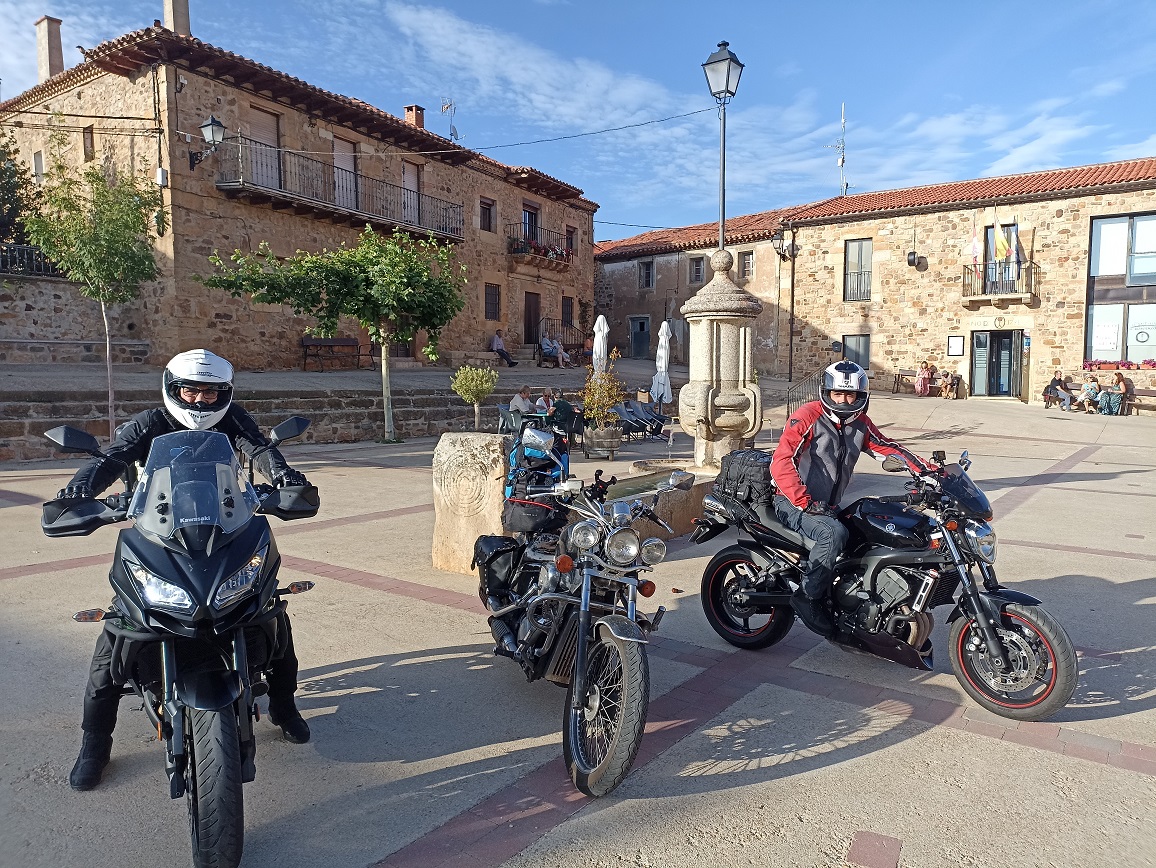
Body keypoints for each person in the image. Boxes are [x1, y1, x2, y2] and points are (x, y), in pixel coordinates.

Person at [58, 350, 313, 791]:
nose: (199, 400)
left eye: (210, 391)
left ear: (224, 393)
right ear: (172, 389)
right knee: (118, 635)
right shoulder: (148, 423)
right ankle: (95, 743)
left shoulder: (233, 419)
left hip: (224, 528)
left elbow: (260, 450)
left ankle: (284, 705)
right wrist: (84, 485)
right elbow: (114, 458)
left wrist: (285, 476)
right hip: (158, 532)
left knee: (270, 611)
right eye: (190, 390)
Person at [770, 360, 934, 637]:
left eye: (851, 395)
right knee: (832, 535)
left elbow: (887, 448)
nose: (845, 400)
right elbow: (782, 461)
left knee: (868, 529)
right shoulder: (808, 415)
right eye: (839, 394)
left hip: (826, 505)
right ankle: (807, 597)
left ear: (860, 396)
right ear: (827, 392)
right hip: (792, 501)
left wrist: (928, 471)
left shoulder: (860, 423)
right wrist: (804, 501)